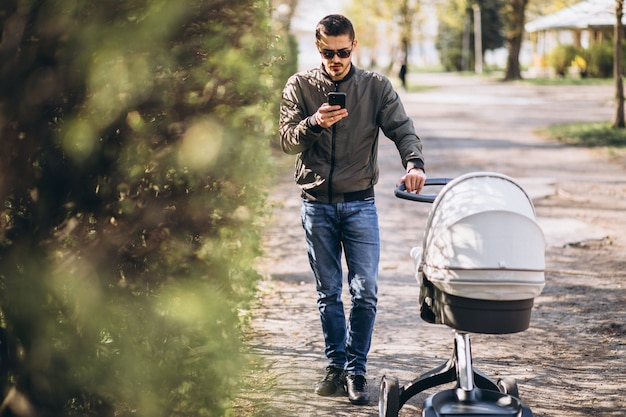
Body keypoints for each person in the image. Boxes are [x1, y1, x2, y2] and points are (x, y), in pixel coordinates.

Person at [279, 14, 426, 406]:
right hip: (316, 207)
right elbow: (286, 141)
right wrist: (314, 122)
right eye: (328, 53)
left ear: (354, 47)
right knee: (328, 293)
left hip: (360, 204)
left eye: (343, 52)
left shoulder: (375, 87)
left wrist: (414, 162)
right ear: (318, 49)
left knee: (366, 293)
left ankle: (356, 370)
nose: (336, 60)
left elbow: (402, 128)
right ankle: (335, 366)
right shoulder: (300, 86)